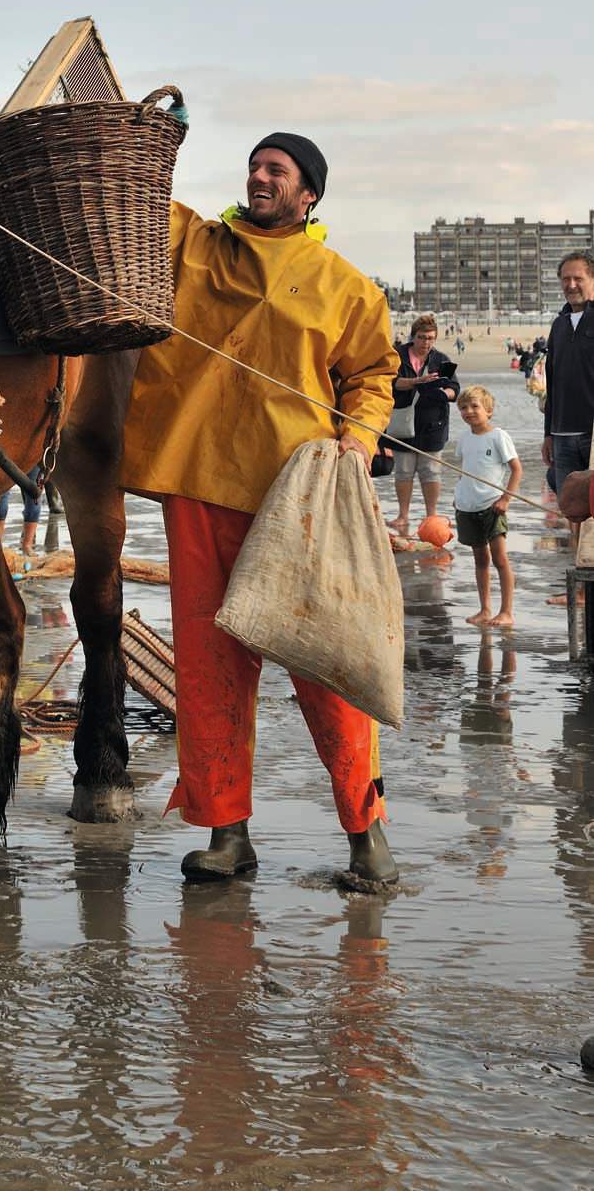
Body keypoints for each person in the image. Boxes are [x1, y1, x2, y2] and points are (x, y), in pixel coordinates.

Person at [119, 133, 400, 886]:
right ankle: (226, 833)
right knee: (209, 667)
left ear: (308, 193)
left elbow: (373, 372)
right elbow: (133, 196)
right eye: (254, 165)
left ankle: (365, 830)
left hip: (296, 497)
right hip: (199, 477)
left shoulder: (344, 284)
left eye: (276, 169)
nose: (259, 175)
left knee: (327, 667)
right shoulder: (196, 244)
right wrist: (162, 133)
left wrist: (357, 435)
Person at [454, 387, 521, 630]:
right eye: (463, 408)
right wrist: (458, 496)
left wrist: (505, 499)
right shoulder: (464, 439)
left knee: (500, 559)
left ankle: (506, 612)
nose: (469, 412)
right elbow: (466, 469)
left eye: (475, 407)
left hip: (492, 506)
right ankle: (485, 609)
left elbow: (516, 469)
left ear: (489, 411)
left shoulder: (498, 436)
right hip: (467, 506)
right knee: (480, 559)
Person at [387, 314, 459, 530]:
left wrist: (444, 394)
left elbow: (454, 389)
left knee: (430, 471)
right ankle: (403, 515)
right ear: (413, 336)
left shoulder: (441, 360)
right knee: (404, 471)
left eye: (430, 338)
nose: (425, 343)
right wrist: (417, 381)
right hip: (402, 421)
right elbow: (390, 382)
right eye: (421, 338)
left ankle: (431, 516)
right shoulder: (397, 356)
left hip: (433, 424)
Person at [543, 252, 594, 498]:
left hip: (592, 433)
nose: (571, 285)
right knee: (570, 505)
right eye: (565, 279)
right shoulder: (558, 325)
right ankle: (571, 539)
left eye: (578, 278)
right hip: (562, 434)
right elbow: (551, 384)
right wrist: (548, 434)